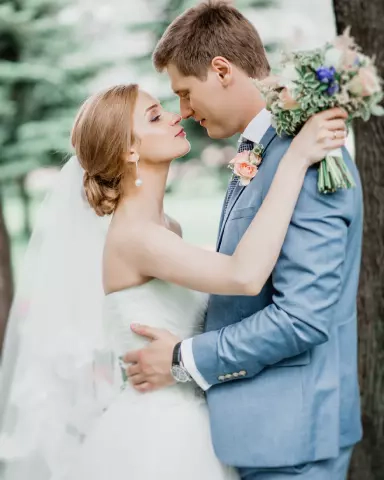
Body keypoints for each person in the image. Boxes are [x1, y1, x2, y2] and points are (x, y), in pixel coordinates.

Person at [0, 80, 346, 480]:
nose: (175, 115)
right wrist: (295, 160)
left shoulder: (164, 227)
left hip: (195, 417)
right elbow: (245, 275)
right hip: (162, 437)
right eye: (154, 116)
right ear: (129, 149)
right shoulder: (136, 237)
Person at [122, 2, 364, 480]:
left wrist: (183, 359)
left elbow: (300, 317)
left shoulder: (307, 157)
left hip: (293, 440)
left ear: (221, 70)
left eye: (185, 93)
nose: (184, 112)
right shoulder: (269, 149)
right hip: (262, 432)